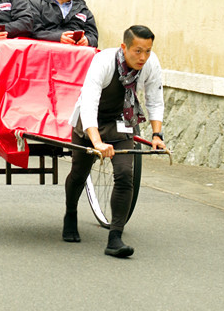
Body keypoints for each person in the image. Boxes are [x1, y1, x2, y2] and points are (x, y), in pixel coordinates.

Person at [62, 25, 166, 258]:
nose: (143, 57)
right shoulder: (104, 62)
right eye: (137, 51)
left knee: (124, 174)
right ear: (124, 47)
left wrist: (157, 135)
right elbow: (88, 102)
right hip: (91, 121)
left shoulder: (150, 63)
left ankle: (115, 237)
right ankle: (70, 213)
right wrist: (96, 142)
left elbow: (155, 99)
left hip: (122, 121)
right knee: (79, 172)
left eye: (147, 51)